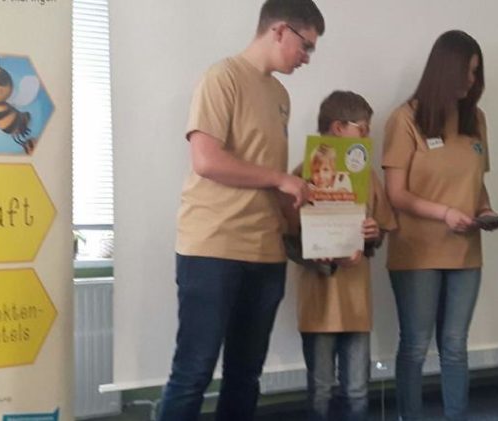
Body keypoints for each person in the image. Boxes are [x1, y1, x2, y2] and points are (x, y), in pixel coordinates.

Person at [158, 1, 324, 420]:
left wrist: (304, 200)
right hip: (213, 248)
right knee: (194, 372)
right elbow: (206, 160)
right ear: (280, 30)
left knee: (245, 375)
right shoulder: (222, 77)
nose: (307, 58)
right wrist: (280, 179)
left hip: (266, 251)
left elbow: (265, 172)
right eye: (306, 46)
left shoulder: (280, 95)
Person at [381, 30, 498, 421]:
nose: (472, 80)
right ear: (445, 69)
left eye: (476, 72)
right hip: (417, 252)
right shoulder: (405, 119)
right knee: (415, 345)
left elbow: (476, 182)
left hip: (465, 252)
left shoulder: (475, 119)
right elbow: (396, 194)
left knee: (455, 346)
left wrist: (486, 210)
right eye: (467, 71)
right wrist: (445, 213)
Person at [283, 91, 397, 421]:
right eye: (363, 129)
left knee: (358, 389)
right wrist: (314, 253)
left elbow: (383, 227)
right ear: (338, 127)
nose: (368, 136)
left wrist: (373, 235)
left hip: (355, 301)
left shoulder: (367, 176)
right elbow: (286, 236)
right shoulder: (302, 174)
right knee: (320, 388)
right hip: (318, 302)